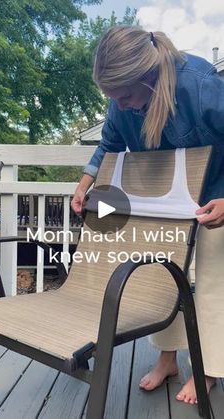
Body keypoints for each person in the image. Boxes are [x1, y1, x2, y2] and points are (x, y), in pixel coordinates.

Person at [71, 25, 224, 405]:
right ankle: (168, 359)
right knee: (160, 276)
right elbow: (109, 143)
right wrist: (85, 182)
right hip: (160, 199)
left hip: (214, 196)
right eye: (112, 97)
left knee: (212, 280)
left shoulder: (201, 84)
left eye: (123, 96)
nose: (119, 105)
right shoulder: (121, 97)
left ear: (150, 76)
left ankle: (208, 371)